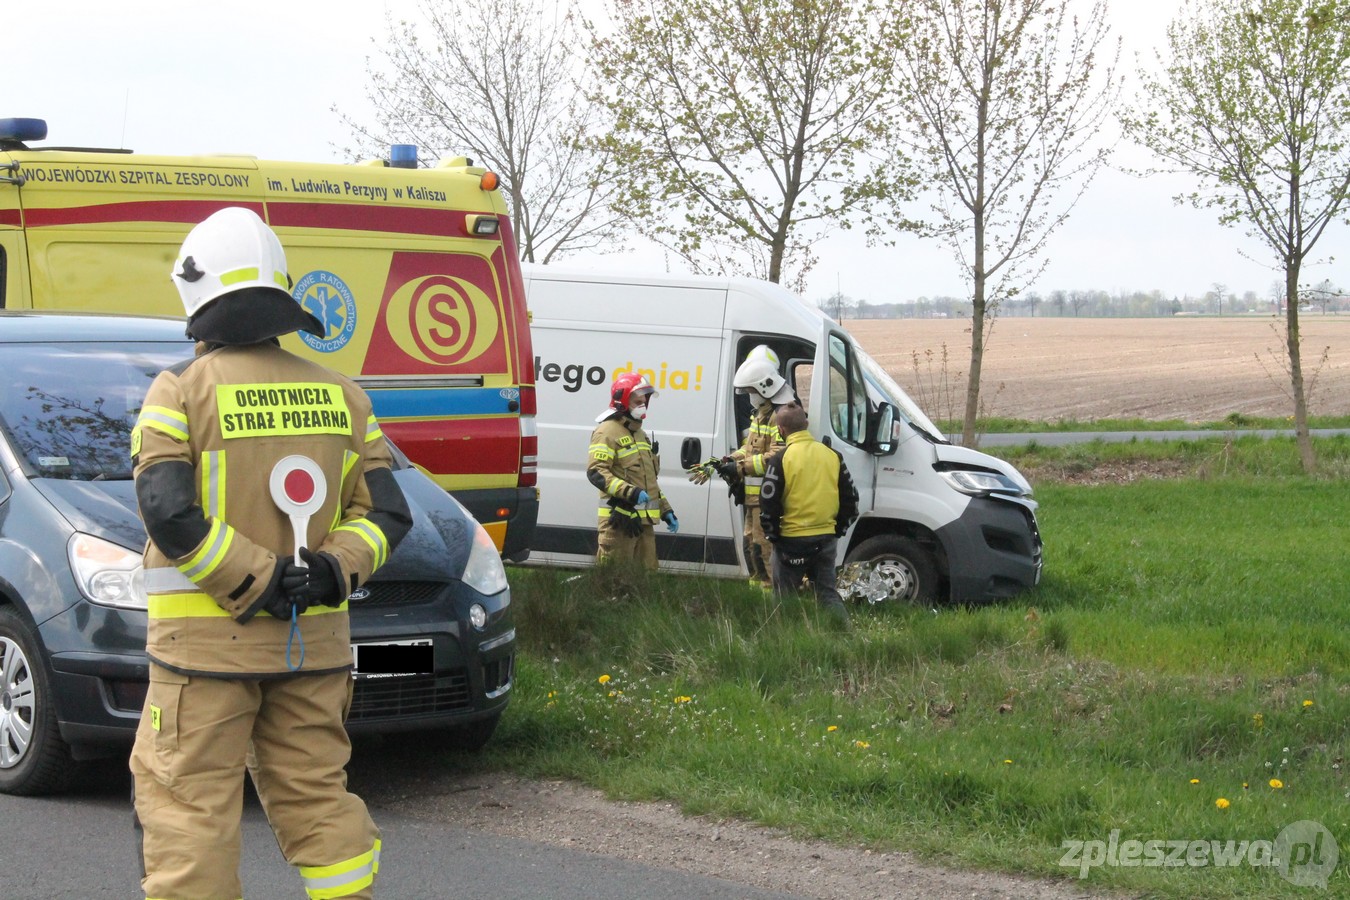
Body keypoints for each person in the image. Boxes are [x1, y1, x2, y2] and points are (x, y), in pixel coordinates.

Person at [129, 207, 413, 900]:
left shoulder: (179, 393)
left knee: (189, 807)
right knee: (318, 798)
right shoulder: (344, 395)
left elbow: (169, 513)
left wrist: (257, 581)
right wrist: (325, 572)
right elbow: (388, 515)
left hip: (203, 657)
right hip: (312, 648)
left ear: (198, 295)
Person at [690, 345, 791, 588]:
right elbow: (749, 448)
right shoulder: (760, 413)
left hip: (768, 498)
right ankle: (757, 599)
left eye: (750, 390)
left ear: (765, 387)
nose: (748, 395)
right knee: (752, 548)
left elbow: (778, 457)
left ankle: (773, 605)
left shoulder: (780, 415)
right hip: (752, 498)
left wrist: (741, 468)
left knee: (765, 551)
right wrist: (727, 460)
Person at [759, 401, 859, 625]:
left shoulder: (780, 459)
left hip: (791, 540)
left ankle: (782, 642)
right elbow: (851, 499)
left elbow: (768, 502)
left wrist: (773, 535)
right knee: (827, 594)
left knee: (783, 598)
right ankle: (847, 636)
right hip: (825, 539)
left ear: (781, 431)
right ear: (806, 424)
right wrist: (838, 529)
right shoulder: (832, 455)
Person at [587, 372, 677, 569]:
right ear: (622, 401)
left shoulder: (641, 435)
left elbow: (647, 481)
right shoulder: (606, 431)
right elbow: (596, 472)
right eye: (638, 401)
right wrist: (630, 492)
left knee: (645, 582)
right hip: (618, 522)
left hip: (643, 525)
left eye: (645, 400)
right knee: (615, 580)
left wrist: (665, 509)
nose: (643, 405)